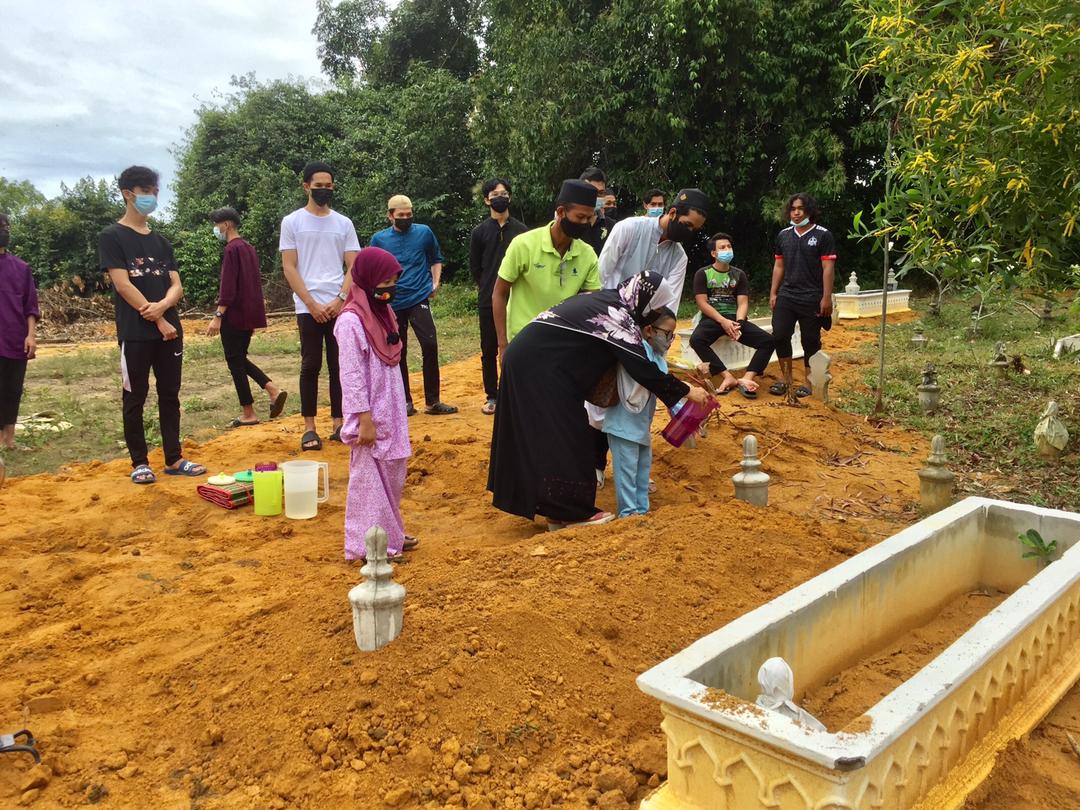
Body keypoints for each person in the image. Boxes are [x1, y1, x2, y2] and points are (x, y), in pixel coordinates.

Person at [488, 271, 710, 530]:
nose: (657, 311)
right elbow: (642, 368)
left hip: (538, 363)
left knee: (554, 434)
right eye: (657, 305)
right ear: (645, 298)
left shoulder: (612, 303)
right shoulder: (618, 316)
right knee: (568, 433)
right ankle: (572, 512)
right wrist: (686, 391)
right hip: (537, 366)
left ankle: (558, 511)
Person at [99, 165, 205, 484]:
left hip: (171, 332)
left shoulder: (162, 242)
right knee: (135, 395)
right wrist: (158, 318)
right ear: (128, 194)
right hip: (136, 333)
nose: (152, 197)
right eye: (146, 191)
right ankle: (139, 462)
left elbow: (176, 285)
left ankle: (173, 458)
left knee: (170, 394)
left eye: (155, 191)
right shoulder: (112, 236)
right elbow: (123, 285)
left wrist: (165, 305)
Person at [336, 247, 418, 561]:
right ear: (368, 280)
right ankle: (369, 544)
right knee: (369, 480)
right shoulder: (351, 323)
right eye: (384, 281)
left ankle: (390, 532)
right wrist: (364, 418)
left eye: (394, 281)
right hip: (369, 412)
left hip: (392, 408)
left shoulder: (384, 314)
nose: (389, 288)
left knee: (393, 472)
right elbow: (352, 375)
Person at [280, 161, 361, 451]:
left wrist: (340, 299)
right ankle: (309, 427)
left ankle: (340, 423)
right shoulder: (292, 222)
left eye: (328, 186)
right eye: (319, 186)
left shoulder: (343, 223)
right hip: (307, 306)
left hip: (340, 305)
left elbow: (354, 265)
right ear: (306, 186)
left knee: (340, 365)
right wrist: (311, 303)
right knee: (310, 364)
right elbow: (289, 267)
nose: (324, 190)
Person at [492, 179, 602, 359]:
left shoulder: (588, 255)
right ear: (561, 212)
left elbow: (590, 305)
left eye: (589, 218)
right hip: (522, 342)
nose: (585, 223)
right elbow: (499, 293)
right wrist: (503, 345)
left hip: (564, 344)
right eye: (580, 217)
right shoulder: (524, 245)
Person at [370, 194, 457, 417]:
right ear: (390, 216)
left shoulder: (424, 232)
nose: (406, 218)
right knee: (399, 351)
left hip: (419, 297)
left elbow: (436, 258)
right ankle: (404, 401)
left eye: (409, 215)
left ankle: (433, 401)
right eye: (401, 216)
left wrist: (435, 282)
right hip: (393, 302)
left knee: (430, 344)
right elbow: (371, 268)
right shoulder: (379, 240)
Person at [206, 207, 287, 426]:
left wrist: (218, 315)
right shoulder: (249, 248)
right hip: (249, 313)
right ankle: (272, 390)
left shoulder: (232, 249)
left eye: (217, 225)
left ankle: (249, 412)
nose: (216, 229)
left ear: (227, 225)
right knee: (239, 358)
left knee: (235, 361)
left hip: (234, 315)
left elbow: (228, 287)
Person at [602, 306, 677, 517]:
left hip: (641, 426)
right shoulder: (635, 353)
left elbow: (667, 389)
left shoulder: (657, 357)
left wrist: (680, 411)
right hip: (622, 425)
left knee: (642, 472)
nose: (670, 339)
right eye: (666, 333)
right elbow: (662, 385)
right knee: (627, 475)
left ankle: (642, 512)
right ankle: (628, 514)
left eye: (673, 334)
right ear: (648, 330)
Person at [689, 232, 775, 398]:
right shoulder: (703, 273)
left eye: (729, 246)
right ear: (713, 253)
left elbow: (742, 302)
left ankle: (747, 378)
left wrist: (739, 323)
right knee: (696, 340)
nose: (727, 250)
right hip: (713, 319)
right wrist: (722, 321)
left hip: (735, 320)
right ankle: (726, 376)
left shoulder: (739, 274)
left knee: (768, 341)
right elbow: (702, 302)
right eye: (722, 247)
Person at [598, 187, 709, 315]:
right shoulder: (629, 228)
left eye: (695, 229)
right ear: (672, 213)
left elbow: (669, 306)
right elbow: (601, 274)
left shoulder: (679, 257)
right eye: (688, 225)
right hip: (609, 311)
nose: (689, 231)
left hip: (644, 324)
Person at [469, 178, 527, 415]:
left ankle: (517, 393)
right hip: (488, 300)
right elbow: (475, 268)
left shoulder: (522, 231)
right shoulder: (479, 232)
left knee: (520, 346)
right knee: (490, 348)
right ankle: (492, 396)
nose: (499, 197)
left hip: (519, 298)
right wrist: (488, 289)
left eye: (503, 193)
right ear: (486, 200)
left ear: (510, 197)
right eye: (494, 194)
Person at [769, 193, 836, 399]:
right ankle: (787, 379)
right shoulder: (783, 235)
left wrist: (826, 297)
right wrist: (773, 292)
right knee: (780, 335)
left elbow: (828, 267)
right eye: (793, 209)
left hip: (812, 296)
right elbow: (779, 265)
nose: (796, 213)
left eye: (800, 209)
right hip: (787, 295)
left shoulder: (823, 235)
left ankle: (808, 381)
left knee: (810, 341)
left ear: (809, 211)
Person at [0, 212, 39, 451]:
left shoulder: (21, 268)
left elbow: (30, 306)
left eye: (5, 225)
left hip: (15, 339)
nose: (4, 230)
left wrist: (30, 335)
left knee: (13, 389)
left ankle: (10, 440)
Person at [579, 167, 617, 255]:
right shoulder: (570, 224)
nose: (597, 196)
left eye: (601, 193)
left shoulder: (612, 226)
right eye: (591, 191)